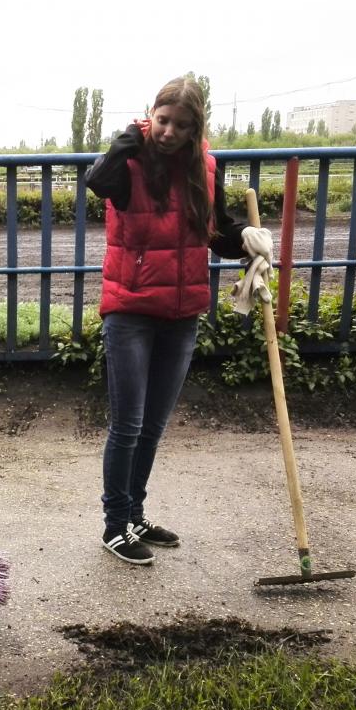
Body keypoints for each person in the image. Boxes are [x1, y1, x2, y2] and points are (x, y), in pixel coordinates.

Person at [86, 76, 273, 566]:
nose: (169, 132)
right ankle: (114, 525)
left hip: (182, 311)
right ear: (152, 114)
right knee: (127, 425)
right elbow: (97, 182)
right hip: (129, 310)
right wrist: (131, 136)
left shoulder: (204, 168)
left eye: (181, 126)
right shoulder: (127, 163)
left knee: (152, 425)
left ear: (195, 130)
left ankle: (135, 514)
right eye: (163, 120)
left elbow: (212, 231)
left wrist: (248, 240)